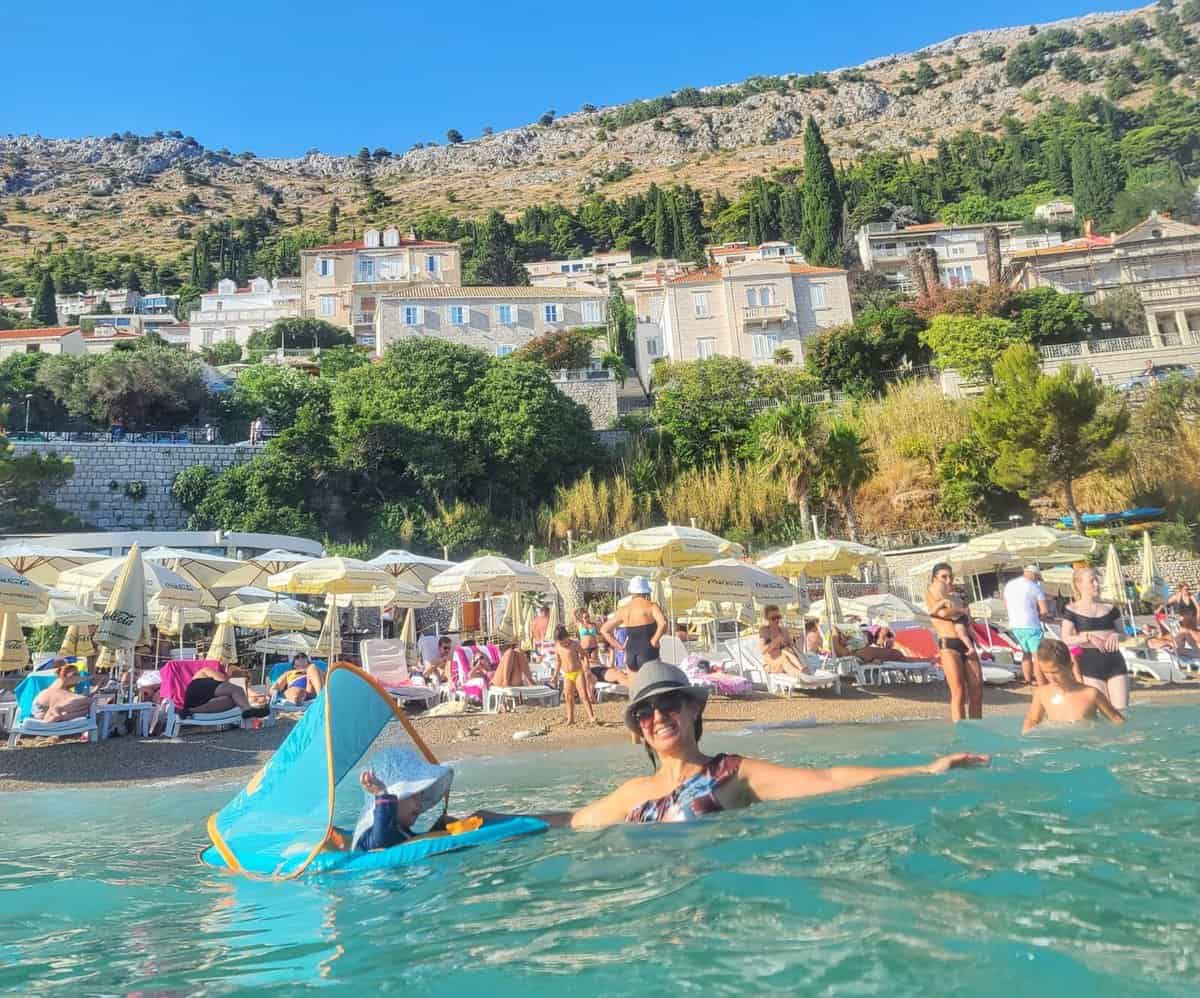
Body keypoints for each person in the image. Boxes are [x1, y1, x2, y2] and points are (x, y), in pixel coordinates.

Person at [540, 662, 988, 827]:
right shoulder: (632, 793)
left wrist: (924, 770)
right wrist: (487, 820)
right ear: (638, 728)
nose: (658, 717)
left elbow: (828, 780)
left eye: (669, 703)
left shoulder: (732, 773)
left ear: (693, 710)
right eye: (645, 712)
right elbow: (570, 821)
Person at [352, 749, 456, 851]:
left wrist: (439, 827)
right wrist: (382, 793)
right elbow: (381, 842)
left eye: (421, 797)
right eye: (414, 796)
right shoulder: (373, 833)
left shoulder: (401, 830)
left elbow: (413, 841)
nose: (420, 805)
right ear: (395, 797)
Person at [1060, 567, 1130, 711]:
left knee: (1122, 710)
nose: (1096, 584)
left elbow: (1125, 635)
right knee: (1104, 711)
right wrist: (1087, 636)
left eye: (1097, 580)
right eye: (1092, 581)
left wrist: (1117, 635)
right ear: (1079, 585)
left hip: (1114, 660)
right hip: (1091, 663)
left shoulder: (1111, 608)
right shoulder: (1072, 610)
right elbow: (1066, 638)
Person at [1023, 638, 1125, 733]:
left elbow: (1117, 719)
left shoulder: (1091, 694)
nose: (1051, 678)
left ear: (1070, 666)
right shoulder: (1041, 694)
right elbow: (1032, 720)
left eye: (1055, 672)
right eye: (1045, 672)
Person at [925, 563, 983, 721]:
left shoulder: (956, 598)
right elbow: (944, 613)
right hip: (948, 644)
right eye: (944, 577)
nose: (948, 580)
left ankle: (977, 730)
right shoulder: (933, 595)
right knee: (958, 692)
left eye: (951, 577)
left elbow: (967, 620)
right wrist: (961, 611)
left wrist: (962, 613)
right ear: (935, 579)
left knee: (977, 690)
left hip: (966, 643)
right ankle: (961, 730)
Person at [600, 577, 667, 673]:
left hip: (631, 652)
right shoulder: (651, 606)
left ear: (631, 592)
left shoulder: (623, 609)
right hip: (648, 651)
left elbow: (604, 630)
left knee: (634, 686)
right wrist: (655, 640)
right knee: (652, 684)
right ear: (646, 592)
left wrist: (619, 646)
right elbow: (663, 623)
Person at [1003, 565, 1051, 685]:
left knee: (1026, 653)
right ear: (1034, 575)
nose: (1037, 581)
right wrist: (1042, 617)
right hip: (1031, 624)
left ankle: (1028, 679)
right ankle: (1041, 684)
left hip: (1015, 625)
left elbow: (1005, 604)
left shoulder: (1009, 584)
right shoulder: (1034, 587)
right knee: (1038, 656)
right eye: (1037, 578)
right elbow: (1044, 610)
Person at [183, 665, 269, 719]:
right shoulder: (207, 671)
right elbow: (223, 680)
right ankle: (248, 710)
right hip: (198, 686)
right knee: (236, 689)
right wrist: (233, 679)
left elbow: (243, 694)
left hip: (194, 702)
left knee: (232, 701)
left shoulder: (228, 690)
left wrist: (256, 696)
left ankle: (190, 711)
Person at [552, 626, 598, 726]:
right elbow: (558, 662)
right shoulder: (558, 646)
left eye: (564, 641)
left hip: (578, 673)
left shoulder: (574, 644)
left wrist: (587, 666)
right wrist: (555, 675)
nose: (563, 644)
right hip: (567, 674)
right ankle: (571, 718)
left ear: (567, 637)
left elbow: (585, 655)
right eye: (561, 642)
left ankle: (591, 717)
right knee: (568, 697)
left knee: (583, 695)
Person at [32, 662, 97, 723]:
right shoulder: (57, 685)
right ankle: (54, 713)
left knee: (86, 709)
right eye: (75, 674)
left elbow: (72, 702)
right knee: (87, 701)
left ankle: (59, 716)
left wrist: (96, 688)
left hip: (45, 711)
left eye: (79, 674)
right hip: (42, 710)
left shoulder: (65, 689)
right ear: (63, 676)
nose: (78, 677)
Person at [759, 605, 810, 676]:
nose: (777, 620)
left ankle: (803, 672)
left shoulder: (784, 630)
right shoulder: (765, 631)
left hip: (788, 658)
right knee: (784, 659)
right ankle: (802, 676)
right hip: (772, 662)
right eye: (773, 618)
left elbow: (792, 646)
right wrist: (776, 641)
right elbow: (763, 651)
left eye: (778, 617)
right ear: (767, 618)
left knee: (786, 653)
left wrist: (789, 645)